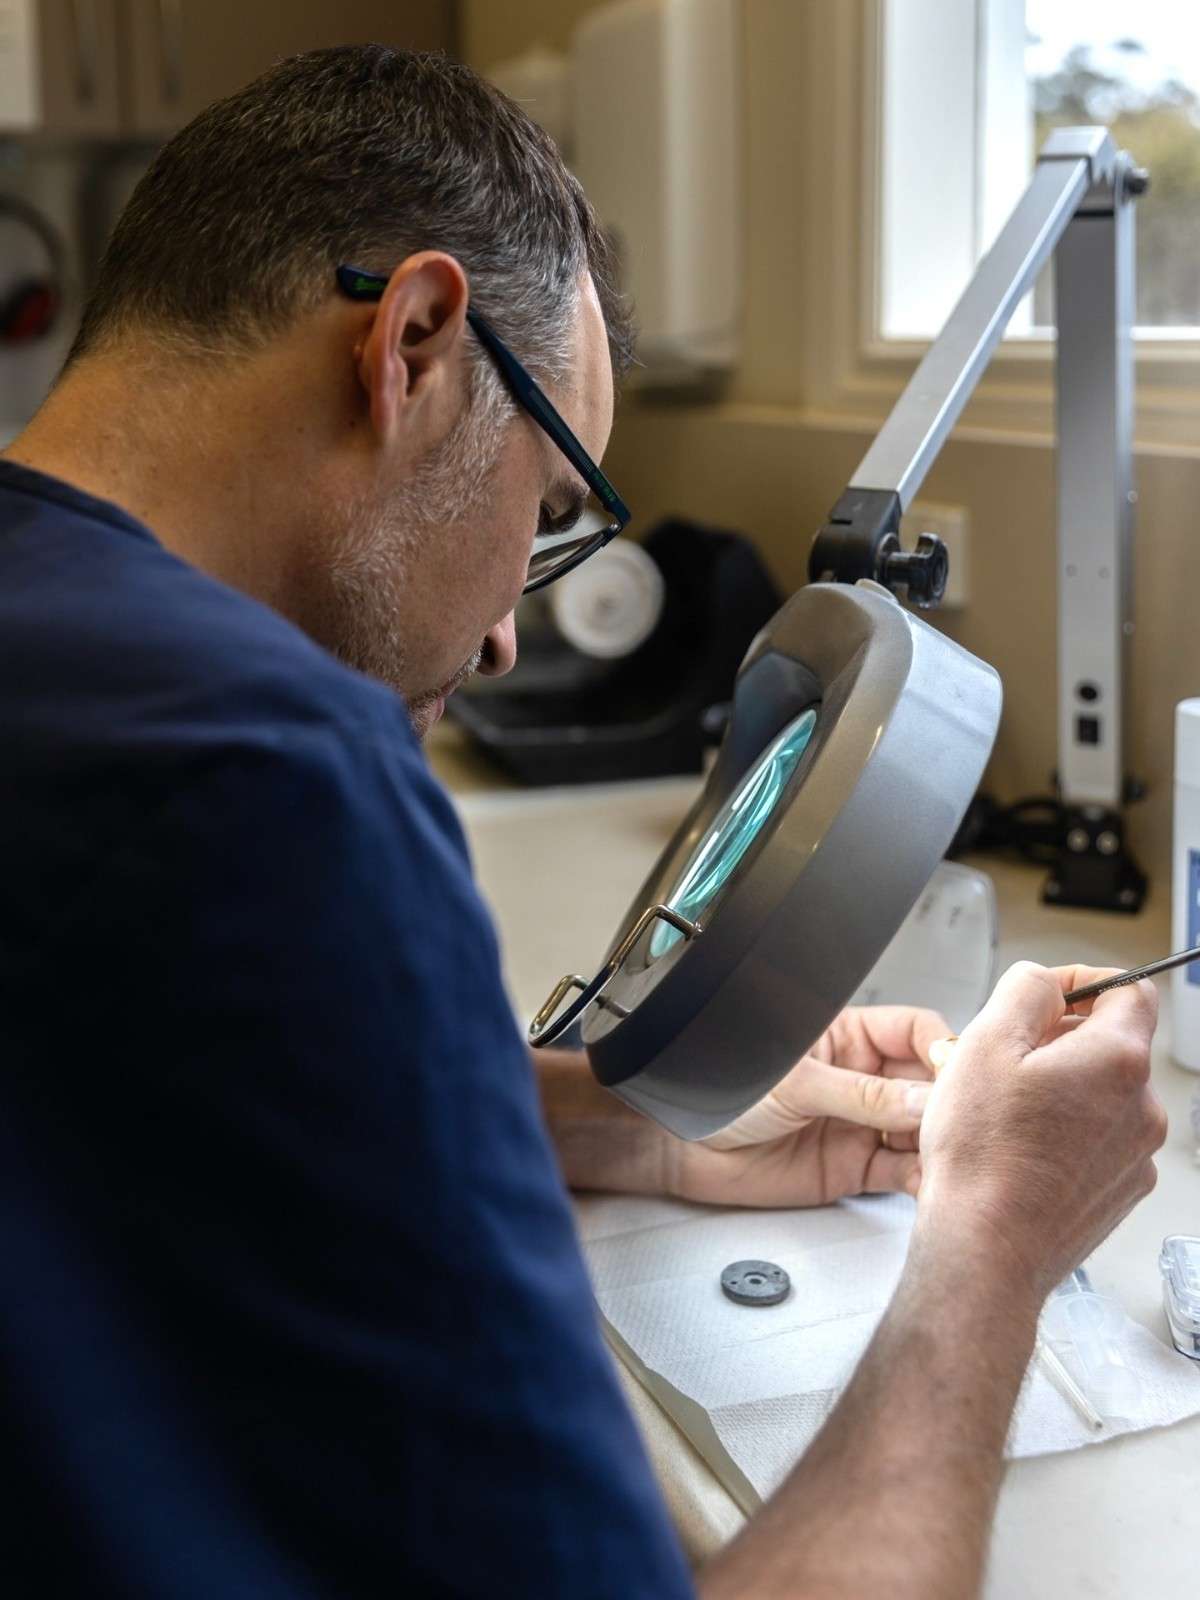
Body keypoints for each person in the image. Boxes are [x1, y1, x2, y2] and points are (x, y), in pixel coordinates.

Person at [0, 44, 1165, 1600]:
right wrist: (998, 1242)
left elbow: (141, 1089)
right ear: (415, 344)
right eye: (550, 512)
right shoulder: (271, 774)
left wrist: (615, 1123)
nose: (501, 642)